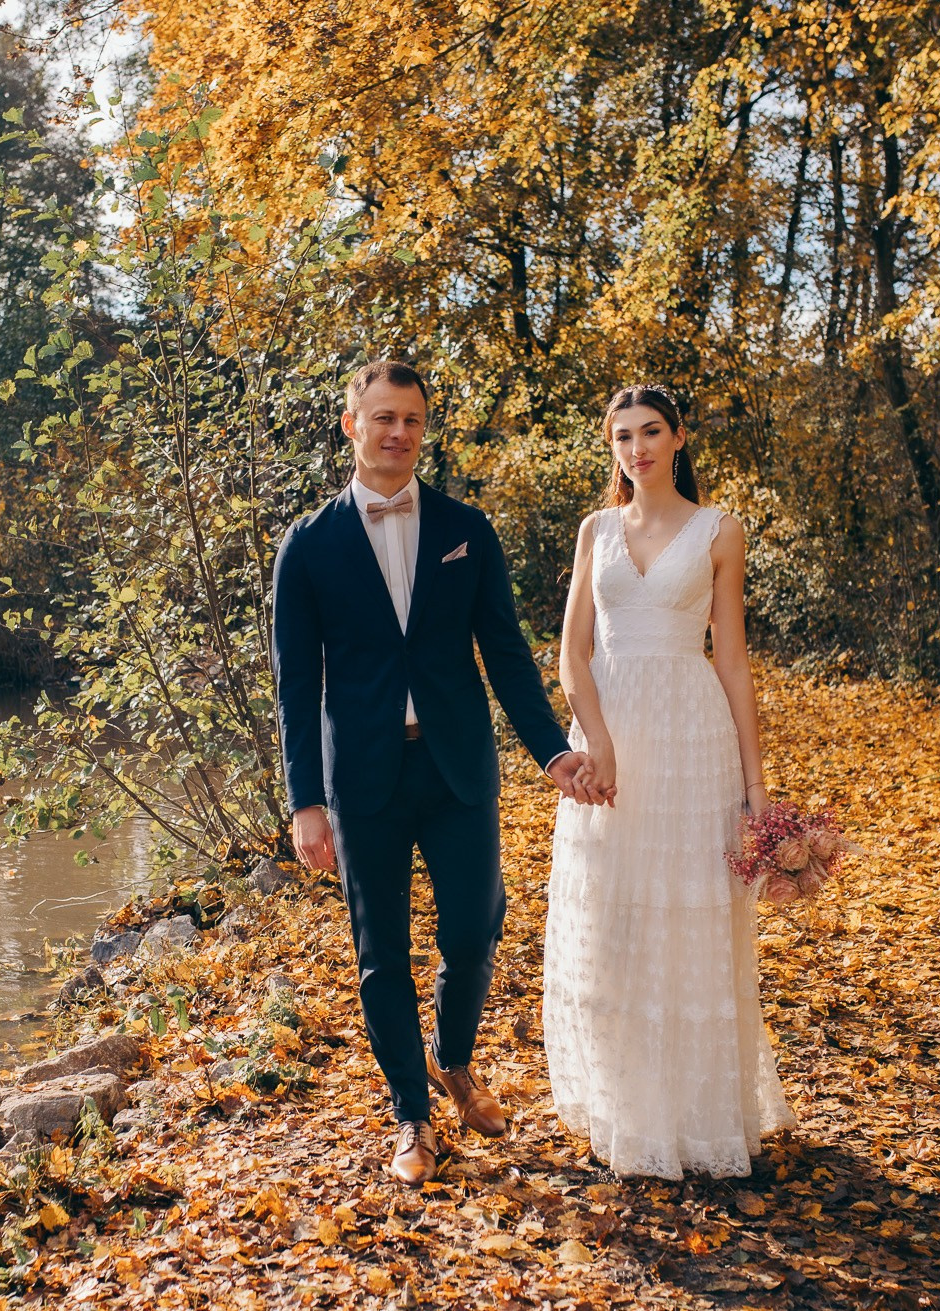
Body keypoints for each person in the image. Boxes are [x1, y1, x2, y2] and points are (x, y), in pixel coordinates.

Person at [271, 359, 596, 1186]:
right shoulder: (308, 545)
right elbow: (294, 684)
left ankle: (455, 1061)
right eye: (383, 418)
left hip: (459, 768)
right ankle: (411, 1115)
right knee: (381, 952)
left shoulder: (465, 528)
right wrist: (305, 800)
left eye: (412, 419)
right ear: (352, 425)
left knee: (474, 929)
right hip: (365, 778)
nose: (399, 433)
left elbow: (508, 655)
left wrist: (553, 749)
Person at [542, 384, 796, 1179]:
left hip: (693, 738)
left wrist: (757, 785)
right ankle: (627, 1110)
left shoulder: (721, 530)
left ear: (679, 436)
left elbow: (731, 657)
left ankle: (693, 1117)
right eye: (622, 435)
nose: (637, 448)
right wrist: (600, 745)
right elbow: (572, 654)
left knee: (687, 919)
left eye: (651, 431)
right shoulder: (595, 530)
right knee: (613, 921)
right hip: (611, 733)